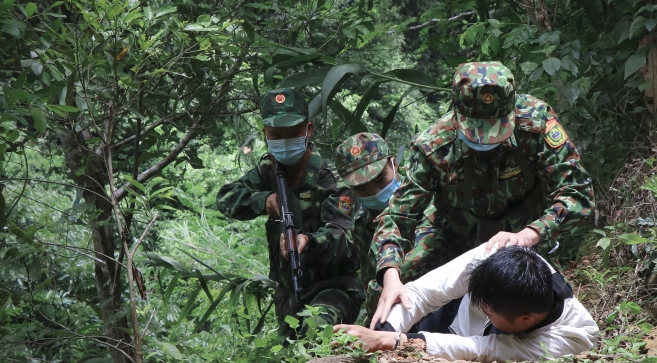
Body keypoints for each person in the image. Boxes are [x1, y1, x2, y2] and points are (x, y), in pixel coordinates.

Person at [370, 61, 594, 328]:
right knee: (395, 286)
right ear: (457, 114)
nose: (486, 139)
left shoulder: (536, 124)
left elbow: (577, 192)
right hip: (451, 232)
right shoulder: (434, 145)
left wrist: (529, 235)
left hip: (519, 237)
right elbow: (396, 215)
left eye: (496, 128)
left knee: (534, 304)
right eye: (476, 129)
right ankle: (373, 341)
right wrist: (391, 275)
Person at [217, 88, 361, 337]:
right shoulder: (267, 171)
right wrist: (264, 202)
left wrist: (309, 241)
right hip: (289, 292)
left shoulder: (331, 179)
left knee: (317, 333)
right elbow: (226, 198)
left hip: (333, 288)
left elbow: (343, 238)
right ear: (265, 134)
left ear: (309, 129)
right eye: (276, 135)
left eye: (293, 134)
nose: (284, 142)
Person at [334, 244, 599, 363]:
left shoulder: (571, 338)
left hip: (471, 341)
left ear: (525, 320)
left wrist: (396, 342)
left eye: (488, 312)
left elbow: (483, 349)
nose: (482, 311)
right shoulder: (497, 255)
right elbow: (422, 293)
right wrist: (385, 330)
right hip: (452, 322)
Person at [333, 133, 436, 323]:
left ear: (394, 164)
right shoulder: (362, 223)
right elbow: (369, 279)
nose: (376, 192)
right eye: (363, 188)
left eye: (381, 180)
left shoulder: (426, 198)